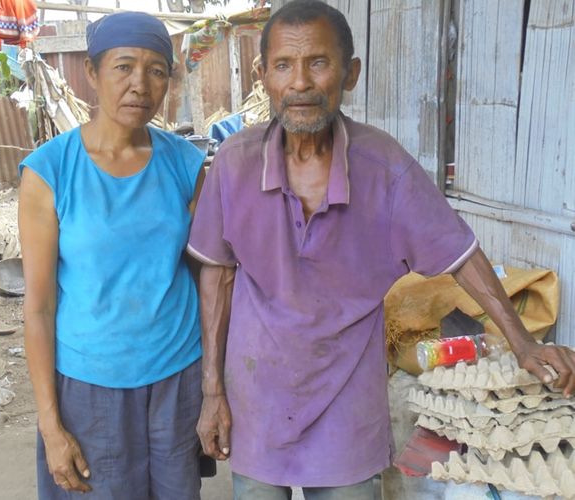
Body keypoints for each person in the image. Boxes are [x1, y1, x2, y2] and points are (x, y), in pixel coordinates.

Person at [187, 1, 575, 499]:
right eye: (284, 65)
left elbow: (461, 254)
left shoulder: (384, 166)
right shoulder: (234, 164)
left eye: (319, 63)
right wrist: (212, 392)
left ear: (351, 74)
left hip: (347, 397)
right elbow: (216, 275)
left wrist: (523, 343)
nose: (300, 82)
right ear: (262, 75)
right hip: (257, 389)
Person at [18, 11, 206, 499]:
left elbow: (208, 279)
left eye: (157, 70)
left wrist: (214, 388)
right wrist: (50, 425)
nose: (140, 84)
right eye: (124, 67)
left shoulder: (186, 165)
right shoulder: (49, 172)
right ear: (91, 72)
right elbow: (37, 309)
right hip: (89, 386)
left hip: (177, 376)